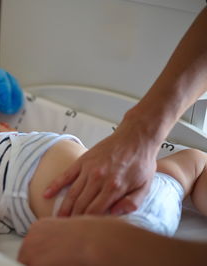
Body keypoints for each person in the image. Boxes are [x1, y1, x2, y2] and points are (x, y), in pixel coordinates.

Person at [0, 87, 207, 247]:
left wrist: (11, 136)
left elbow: (22, 150)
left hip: (140, 185)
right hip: (99, 223)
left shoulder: (0, 142)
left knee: (195, 159)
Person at [19, 6, 207, 266]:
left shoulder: (2, 138)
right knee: (194, 162)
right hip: (121, 215)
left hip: (137, 201)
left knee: (195, 161)